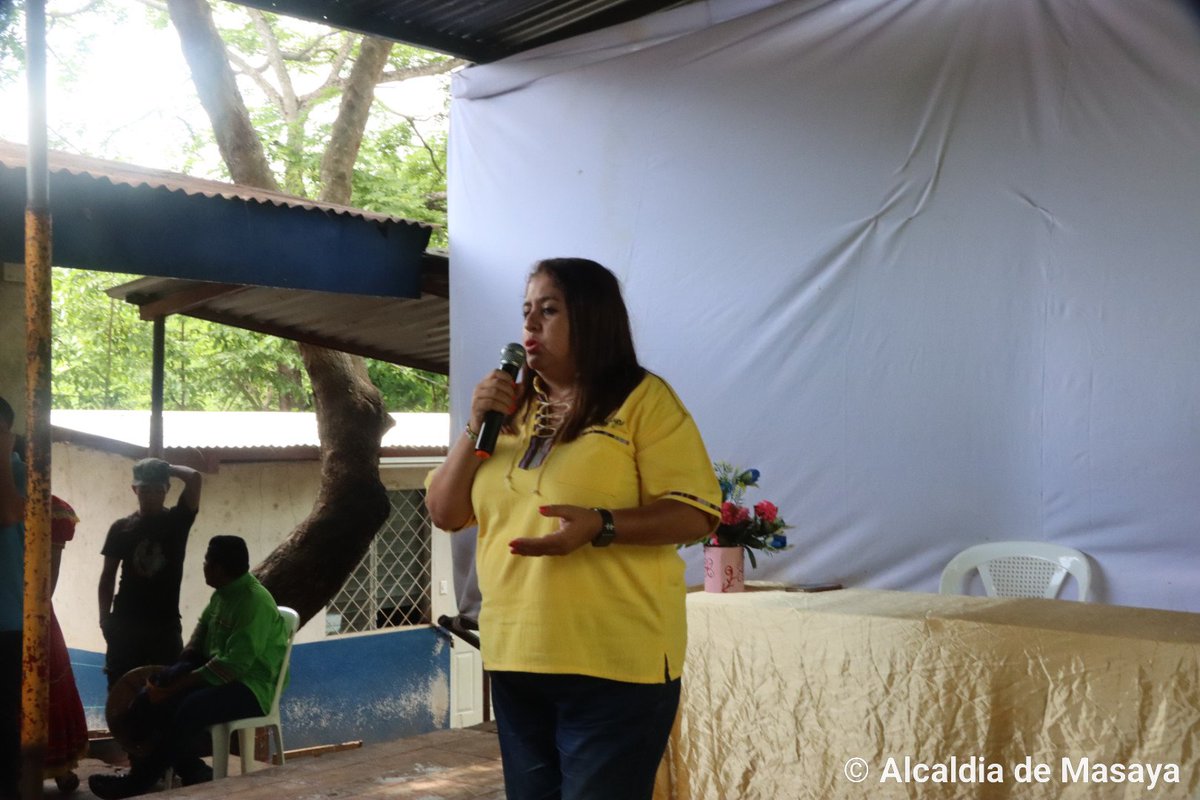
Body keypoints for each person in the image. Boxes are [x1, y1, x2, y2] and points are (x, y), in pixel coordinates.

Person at [425, 258, 721, 800]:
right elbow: (445, 512)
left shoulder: (643, 399)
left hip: (614, 661)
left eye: (550, 310)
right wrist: (476, 422)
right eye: (526, 312)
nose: (530, 326)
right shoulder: (507, 410)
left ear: (591, 317)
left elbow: (695, 511)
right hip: (516, 654)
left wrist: (602, 525)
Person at [88, 535, 291, 799]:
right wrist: (174, 672)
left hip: (251, 687)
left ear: (218, 568)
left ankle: (137, 783)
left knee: (188, 708)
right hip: (222, 676)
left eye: (207, 561)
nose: (204, 566)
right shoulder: (223, 594)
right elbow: (200, 636)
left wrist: (177, 686)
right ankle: (192, 770)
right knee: (152, 700)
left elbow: (234, 665)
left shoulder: (254, 602)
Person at [98, 457, 202, 690]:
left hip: (164, 624)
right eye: (145, 490)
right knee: (121, 689)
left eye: (158, 490)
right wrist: (105, 619)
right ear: (134, 489)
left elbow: (195, 478)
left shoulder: (177, 522)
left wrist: (168, 467)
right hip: (125, 622)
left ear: (167, 490)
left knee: (167, 689)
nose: (151, 496)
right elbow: (107, 577)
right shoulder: (121, 528)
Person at [43, 495, 89, 793]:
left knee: (46, 686)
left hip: (32, 609)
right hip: (30, 609)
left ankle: (57, 767)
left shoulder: (50, 509)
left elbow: (48, 583)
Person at [0, 396, 25, 800]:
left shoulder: (19, 470)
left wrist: (5, 453)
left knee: (6, 717)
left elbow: (8, 513)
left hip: (7, 618)